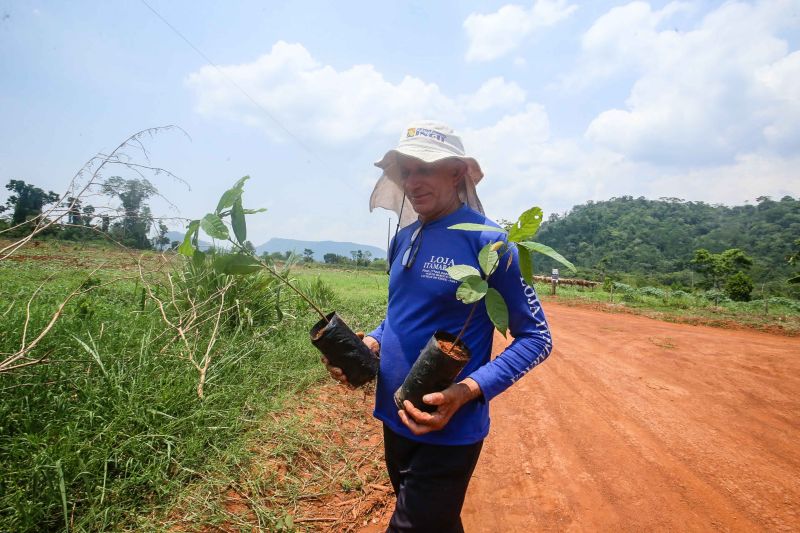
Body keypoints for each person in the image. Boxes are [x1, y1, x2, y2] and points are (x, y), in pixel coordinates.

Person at [322, 120, 553, 532]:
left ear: (457, 173)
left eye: (424, 169)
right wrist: (372, 342)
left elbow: (537, 338)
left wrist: (464, 393)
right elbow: (400, 313)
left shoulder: (492, 243)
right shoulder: (405, 237)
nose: (413, 181)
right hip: (395, 417)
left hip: (448, 428)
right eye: (406, 171)